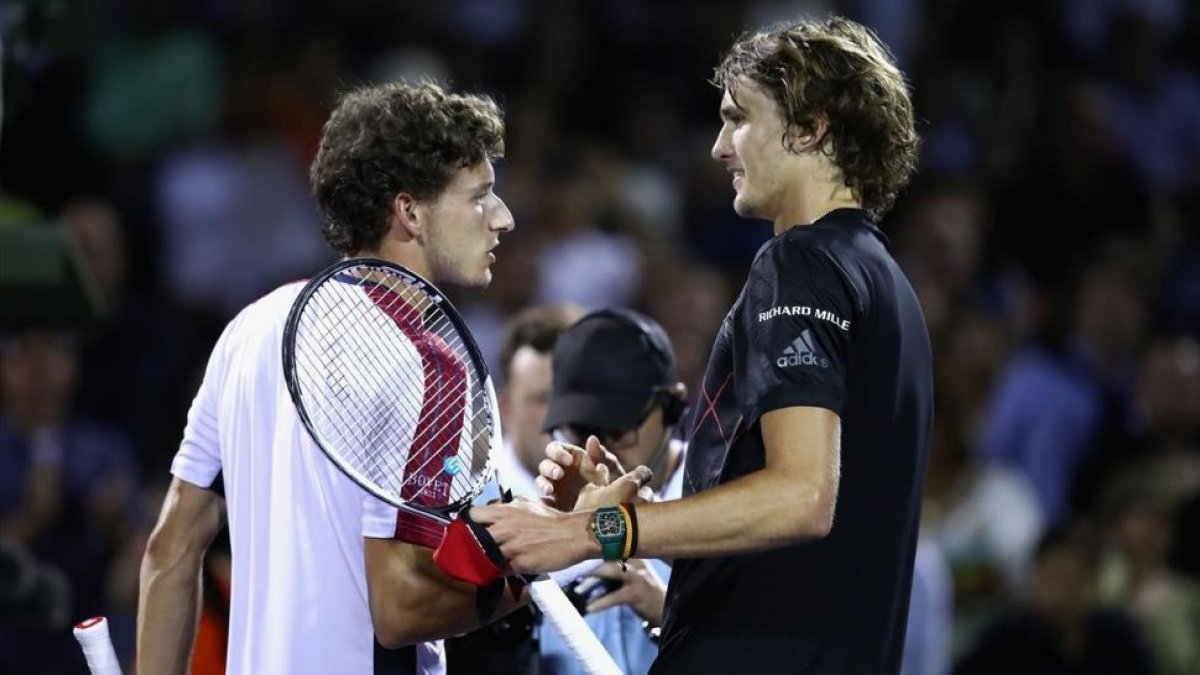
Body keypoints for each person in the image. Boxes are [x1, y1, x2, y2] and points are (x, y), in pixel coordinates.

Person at [474, 15, 932, 674]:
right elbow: (816, 557)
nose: (720, 146)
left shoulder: (800, 263)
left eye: (739, 117)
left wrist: (591, 531)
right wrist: (669, 583)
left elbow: (802, 495)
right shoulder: (887, 284)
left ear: (811, 126)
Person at [137, 81, 534, 675]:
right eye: (479, 196)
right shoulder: (433, 361)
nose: (502, 218)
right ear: (410, 211)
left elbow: (171, 552)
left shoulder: (251, 326)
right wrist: (537, 571)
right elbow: (400, 610)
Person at [539, 309, 688, 675]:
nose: (597, 448)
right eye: (579, 430)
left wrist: (671, 617)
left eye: (617, 430)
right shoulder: (544, 504)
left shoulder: (733, 503)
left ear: (673, 407)